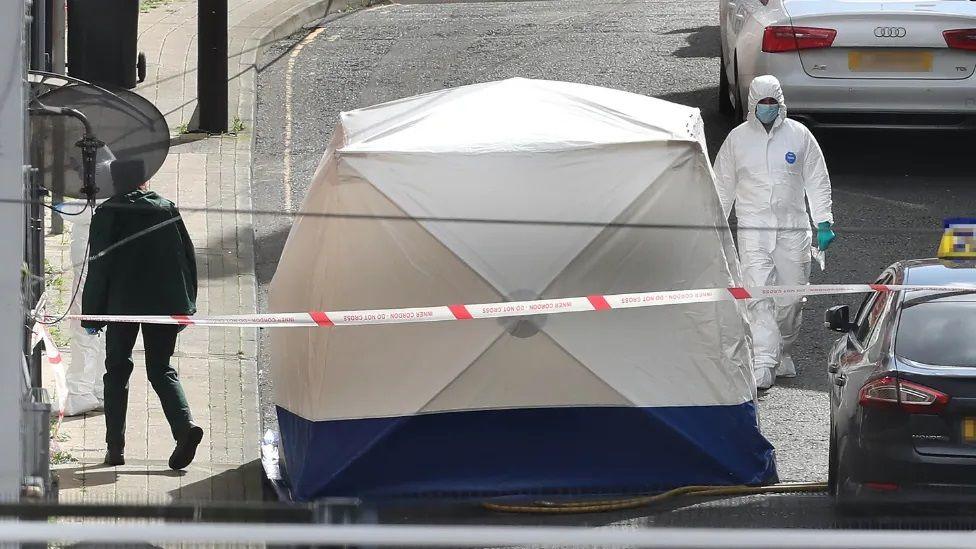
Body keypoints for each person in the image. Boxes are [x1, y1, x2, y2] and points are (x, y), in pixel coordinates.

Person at [713, 75, 835, 391]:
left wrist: (824, 221)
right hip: (753, 231)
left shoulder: (799, 136)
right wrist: (714, 225)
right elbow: (721, 186)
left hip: (793, 230)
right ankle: (764, 363)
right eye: (761, 103)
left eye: (772, 102)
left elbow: (817, 179)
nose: (767, 108)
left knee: (792, 300)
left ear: (780, 103)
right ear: (752, 104)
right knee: (758, 297)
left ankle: (781, 352)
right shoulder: (737, 141)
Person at [81, 183, 203, 469]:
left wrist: (91, 315)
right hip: (163, 303)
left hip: (121, 305)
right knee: (161, 368)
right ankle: (184, 428)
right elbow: (186, 257)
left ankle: (115, 448)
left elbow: (98, 266)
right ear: (144, 180)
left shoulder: (108, 213)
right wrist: (186, 305)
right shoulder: (166, 208)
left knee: (116, 370)